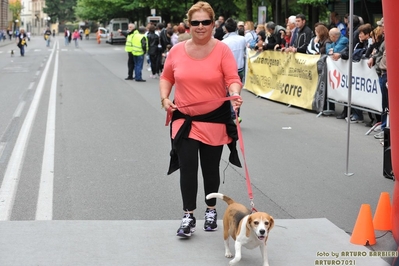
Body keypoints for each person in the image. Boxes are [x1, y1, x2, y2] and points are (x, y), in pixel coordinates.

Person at [159, 1, 243, 238]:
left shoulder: (222, 50)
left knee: (210, 168)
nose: (200, 26)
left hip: (214, 118)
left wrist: (235, 93)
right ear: (188, 24)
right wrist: (165, 98)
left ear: (213, 23)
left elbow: (232, 78)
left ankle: (211, 210)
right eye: (195, 22)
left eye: (205, 22)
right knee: (187, 168)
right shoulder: (176, 51)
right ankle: (188, 216)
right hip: (184, 118)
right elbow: (166, 77)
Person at [222, 18, 246, 122]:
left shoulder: (224, 42)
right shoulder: (242, 39)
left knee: (228, 93)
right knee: (236, 92)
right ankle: (236, 114)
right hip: (240, 69)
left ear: (226, 29)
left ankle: (232, 115)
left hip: (228, 70)